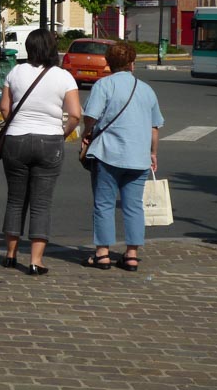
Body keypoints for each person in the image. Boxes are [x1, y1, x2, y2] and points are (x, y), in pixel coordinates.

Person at [0, 29, 82, 275]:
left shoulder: (15, 72)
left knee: (15, 200)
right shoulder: (63, 77)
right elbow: (75, 114)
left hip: (16, 139)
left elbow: (4, 107)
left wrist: (15, 124)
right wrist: (62, 133)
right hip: (50, 140)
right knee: (41, 204)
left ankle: (10, 255)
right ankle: (36, 261)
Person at [81, 41, 163, 273]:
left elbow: (91, 117)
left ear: (108, 63)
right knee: (134, 206)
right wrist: (153, 153)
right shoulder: (146, 90)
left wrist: (87, 135)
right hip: (138, 156)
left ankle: (102, 254)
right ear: (132, 63)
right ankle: (132, 255)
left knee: (104, 203)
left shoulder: (104, 85)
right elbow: (154, 127)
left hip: (108, 153)